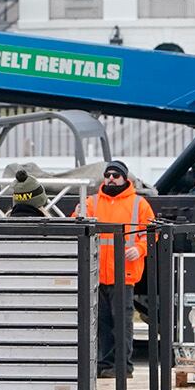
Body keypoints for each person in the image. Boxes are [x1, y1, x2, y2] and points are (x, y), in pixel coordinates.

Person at [77, 159, 156, 377]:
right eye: (108, 174)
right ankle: (105, 364)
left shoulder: (139, 204)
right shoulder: (91, 202)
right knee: (102, 323)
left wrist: (140, 249)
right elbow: (77, 224)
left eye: (116, 175)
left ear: (125, 178)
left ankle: (123, 367)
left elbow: (151, 232)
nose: (111, 178)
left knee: (122, 323)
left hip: (124, 274)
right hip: (98, 274)